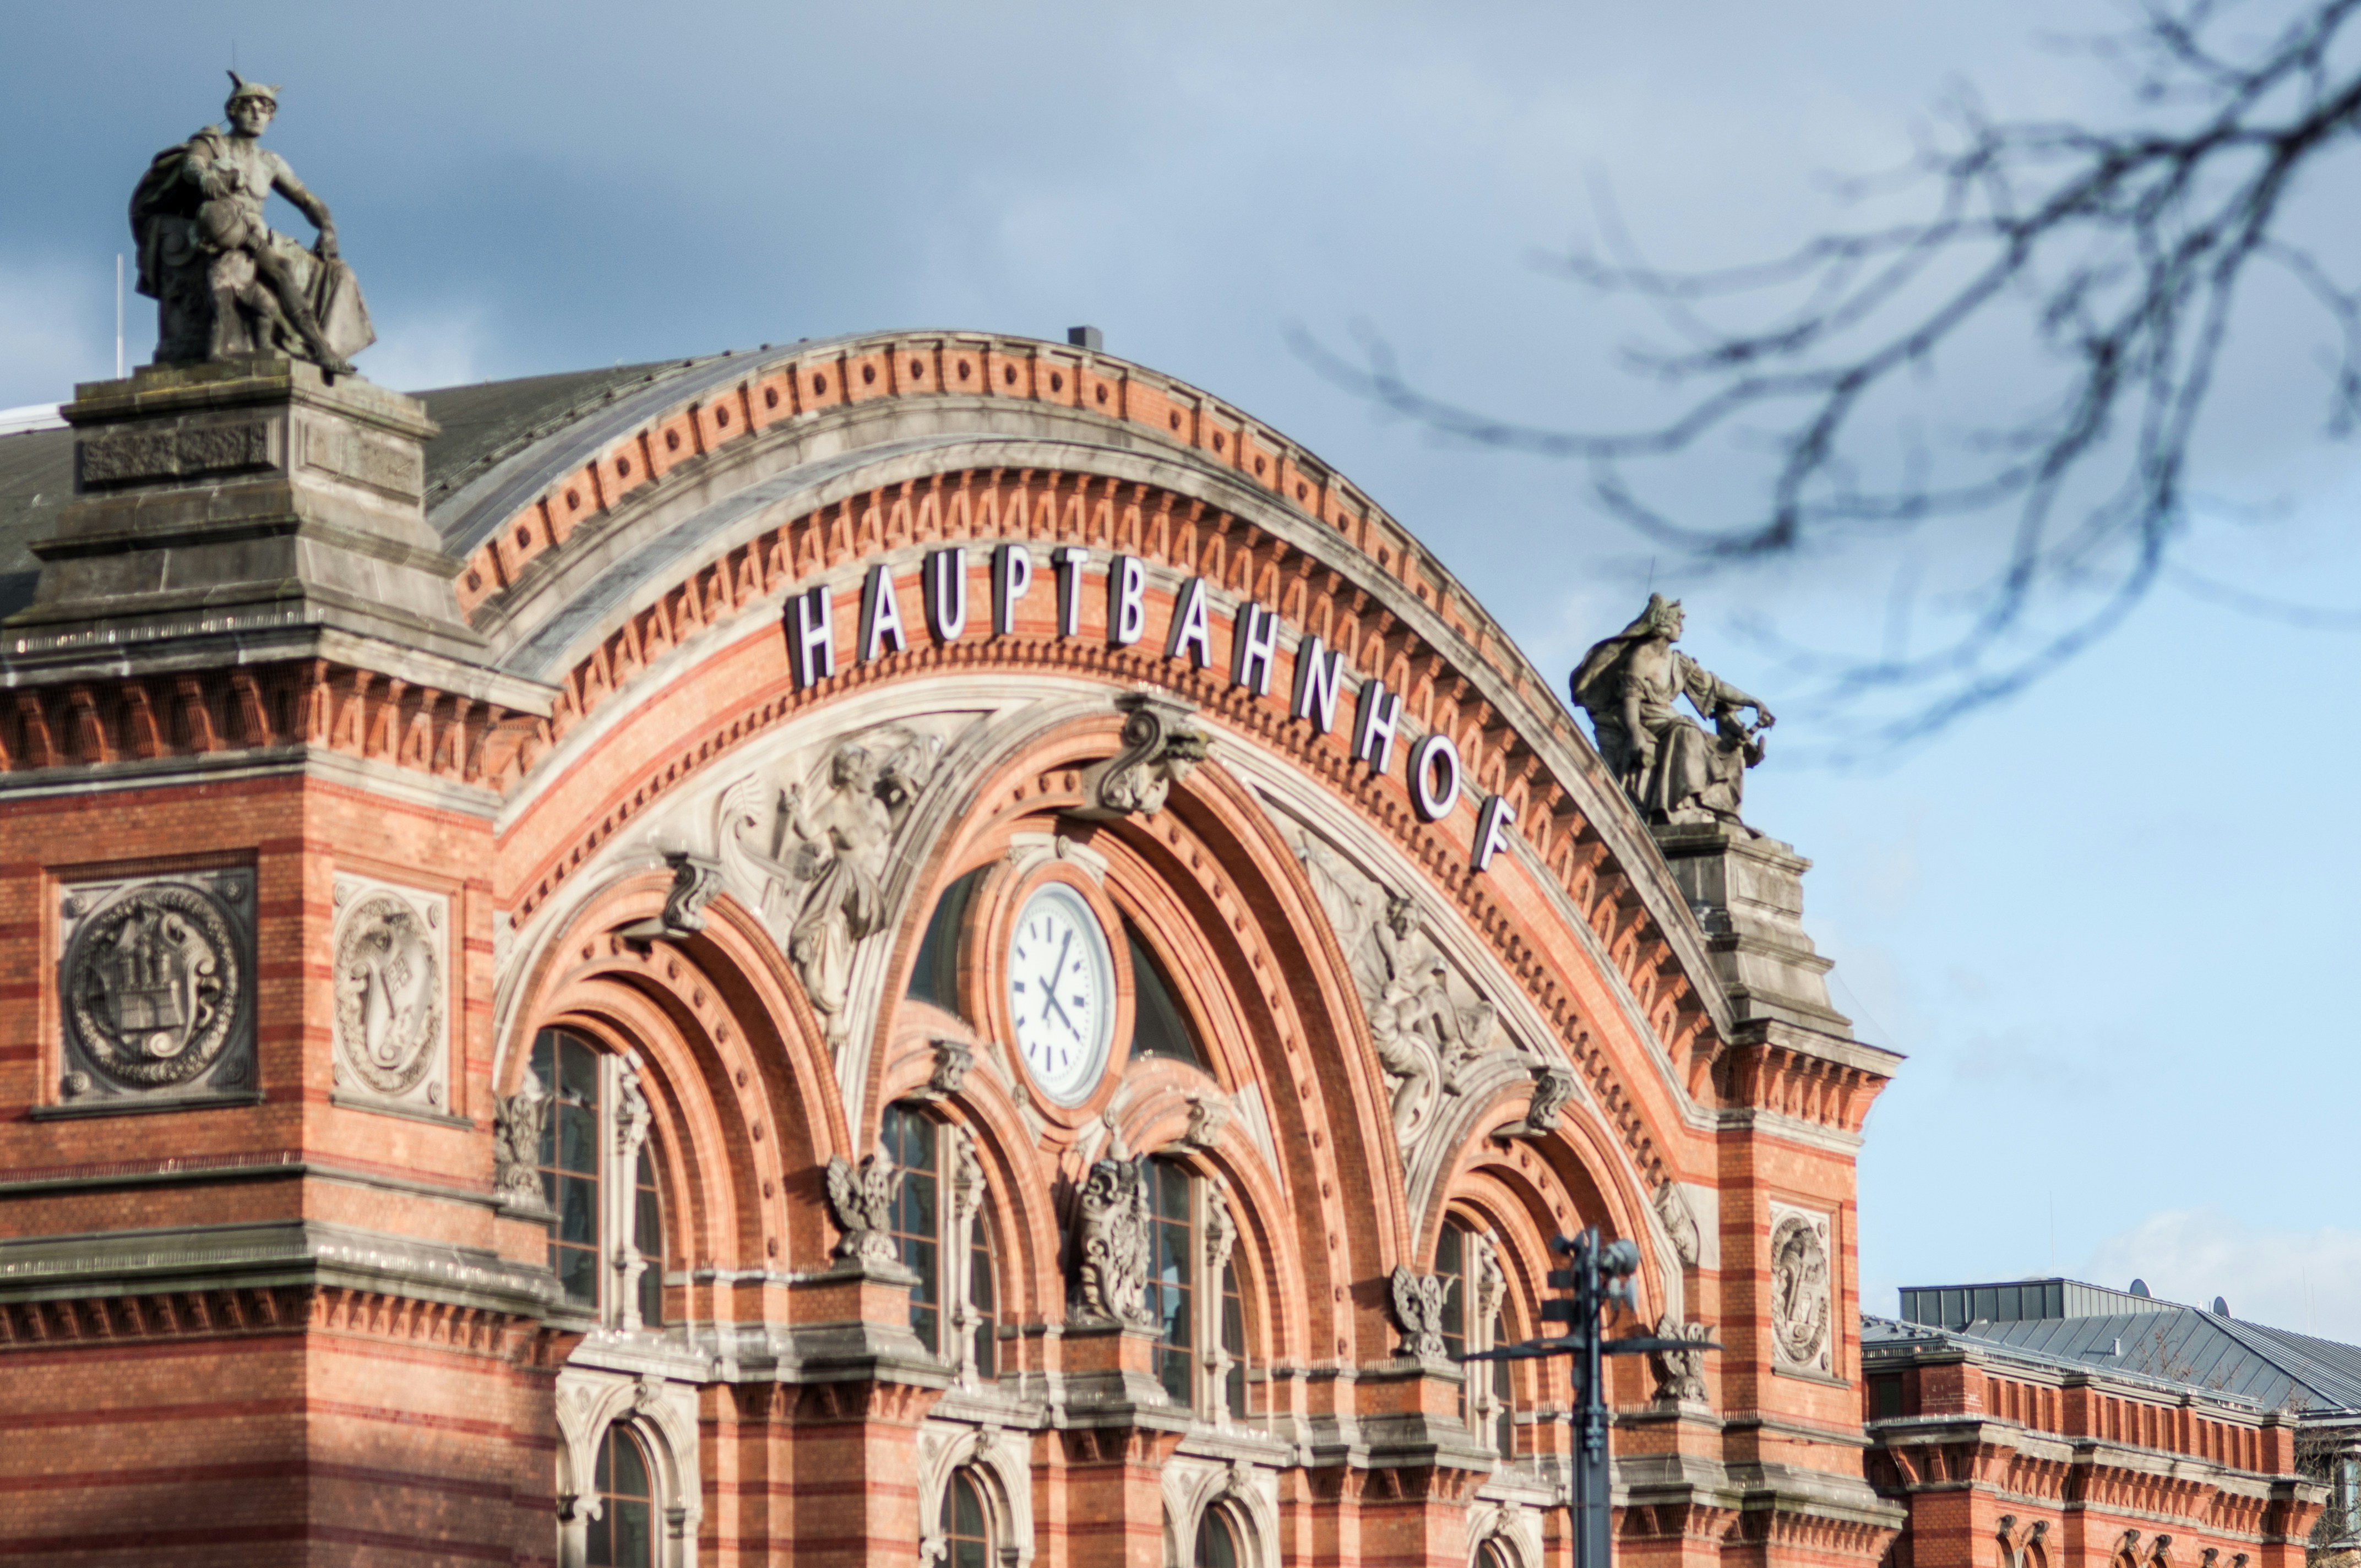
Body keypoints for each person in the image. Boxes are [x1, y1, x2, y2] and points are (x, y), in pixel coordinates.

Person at [130, 73, 367, 372]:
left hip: (257, 234)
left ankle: (318, 346)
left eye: (266, 110)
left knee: (338, 273)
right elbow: (193, 166)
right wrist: (206, 177)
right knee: (282, 273)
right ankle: (320, 349)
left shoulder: (270, 162)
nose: (258, 115)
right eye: (249, 107)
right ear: (232, 111)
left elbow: (307, 200)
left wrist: (327, 228)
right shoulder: (214, 142)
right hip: (223, 230)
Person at [1570, 595, 1774, 829]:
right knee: (1687, 730)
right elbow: (1631, 700)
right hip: (1646, 717)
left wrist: (1754, 702)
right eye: (1679, 622)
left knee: (1728, 749)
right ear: (1663, 623)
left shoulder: (1679, 662)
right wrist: (1636, 734)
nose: (1683, 628)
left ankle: (1721, 811)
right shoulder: (1641, 658)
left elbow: (1714, 688)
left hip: (1669, 717)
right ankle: (1682, 806)